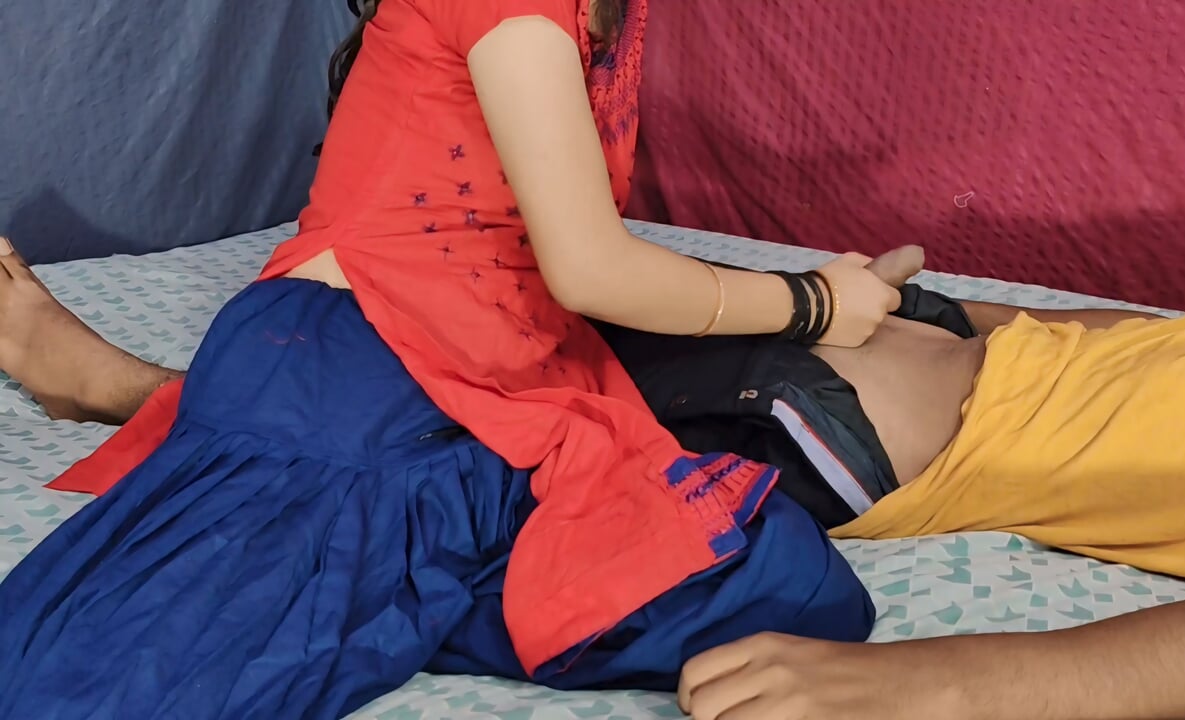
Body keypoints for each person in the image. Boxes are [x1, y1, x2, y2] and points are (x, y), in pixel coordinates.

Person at [0, 0, 921, 716]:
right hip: (357, 364)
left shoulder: (612, 12)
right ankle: (132, 397)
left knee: (789, 585)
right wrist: (812, 302)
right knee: (135, 676)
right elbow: (591, 269)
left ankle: (397, 572)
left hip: (481, 388)